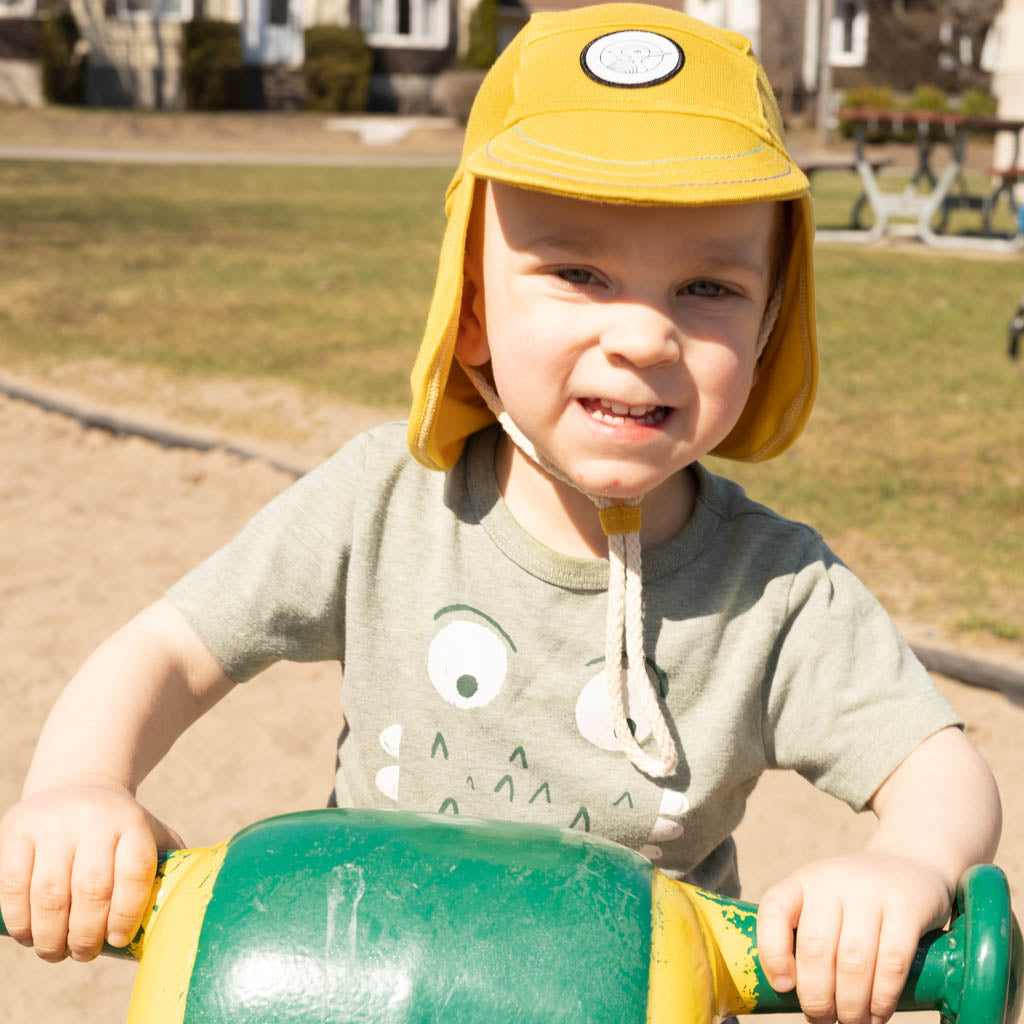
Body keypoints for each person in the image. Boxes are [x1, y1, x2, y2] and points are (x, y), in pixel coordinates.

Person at [0, 6, 1001, 1024]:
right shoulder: (384, 500)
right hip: (362, 985)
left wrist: (907, 863)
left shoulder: (772, 588)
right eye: (579, 274)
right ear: (470, 305)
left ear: (769, 322)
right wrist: (80, 785)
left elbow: (942, 769)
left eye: (708, 286)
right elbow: (166, 650)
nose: (645, 334)